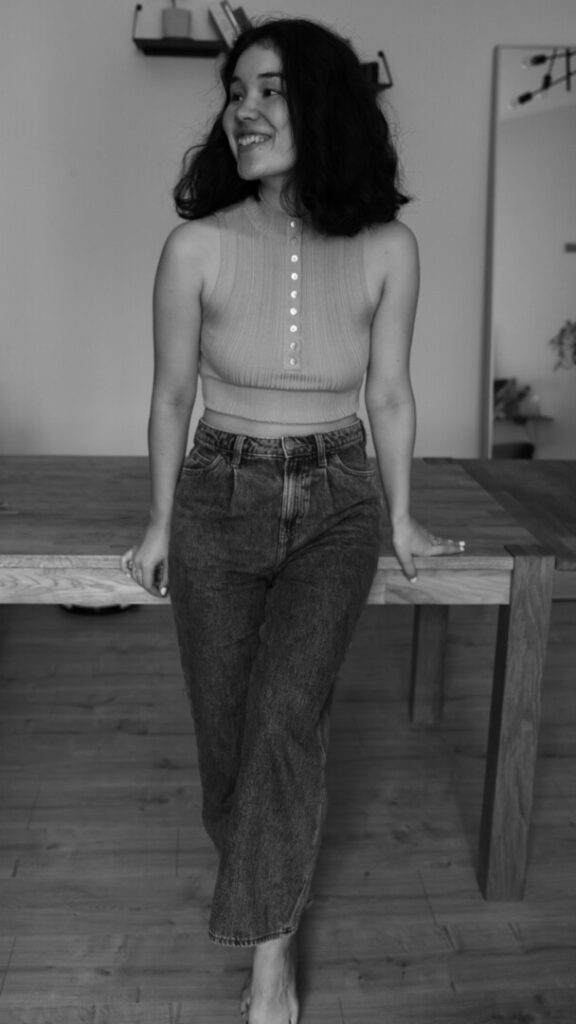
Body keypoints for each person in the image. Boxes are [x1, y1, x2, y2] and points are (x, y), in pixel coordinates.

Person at [122, 16, 464, 1024]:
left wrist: (401, 516)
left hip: (336, 503)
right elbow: (169, 396)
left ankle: (268, 957)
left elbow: (391, 394)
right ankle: (268, 894)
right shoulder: (192, 248)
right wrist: (155, 522)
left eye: (270, 90)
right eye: (236, 92)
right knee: (228, 739)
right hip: (215, 501)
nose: (244, 108)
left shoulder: (393, 248)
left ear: (323, 106)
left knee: (283, 720)